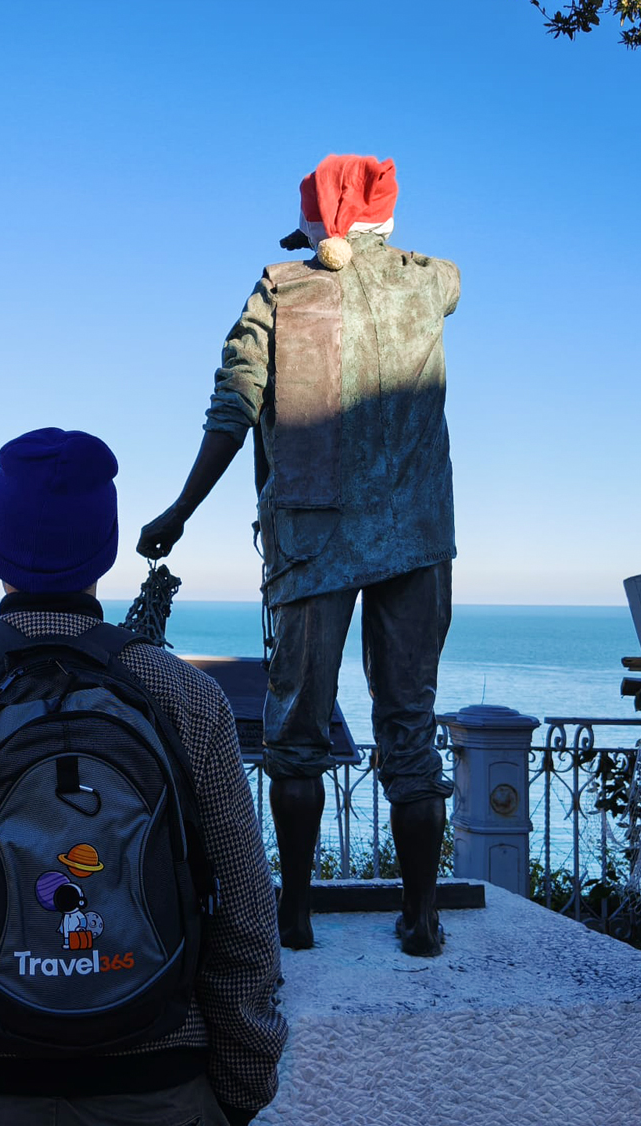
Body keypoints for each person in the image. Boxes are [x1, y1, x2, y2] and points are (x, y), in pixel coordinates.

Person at [0, 427, 286, 1126]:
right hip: (163, 1080)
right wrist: (238, 1087)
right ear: (104, 550)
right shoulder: (188, 697)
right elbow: (246, 916)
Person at [138, 154, 460, 957]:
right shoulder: (432, 283)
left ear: (316, 225)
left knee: (295, 734)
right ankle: (421, 921)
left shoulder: (280, 289)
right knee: (410, 726)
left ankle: (296, 914)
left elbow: (234, 405)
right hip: (417, 536)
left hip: (310, 540)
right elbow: (446, 280)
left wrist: (180, 510)